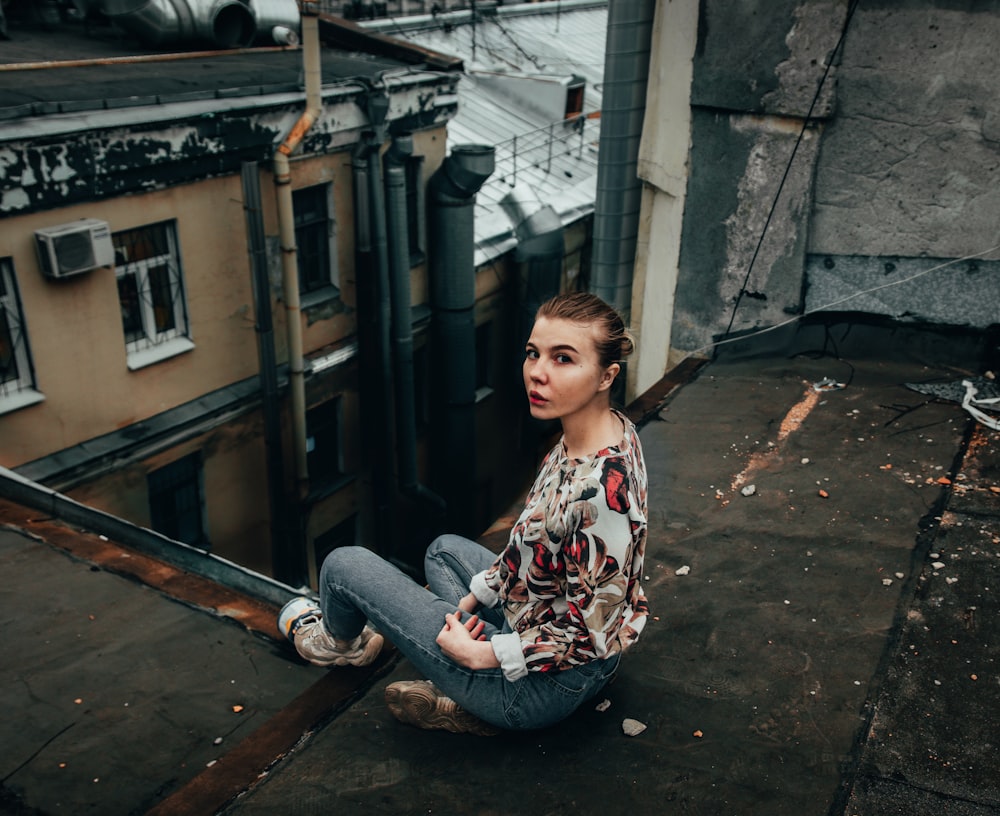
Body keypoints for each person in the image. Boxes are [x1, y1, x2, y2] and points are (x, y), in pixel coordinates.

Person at [279, 291, 649, 734]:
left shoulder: (601, 493)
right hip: (546, 633)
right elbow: (531, 542)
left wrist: (483, 654)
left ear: (607, 375)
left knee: (343, 566)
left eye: (563, 359)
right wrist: (476, 600)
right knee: (443, 551)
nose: (537, 372)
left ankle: (343, 645)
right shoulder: (598, 435)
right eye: (533, 353)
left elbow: (595, 632)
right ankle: (434, 649)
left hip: (545, 687)